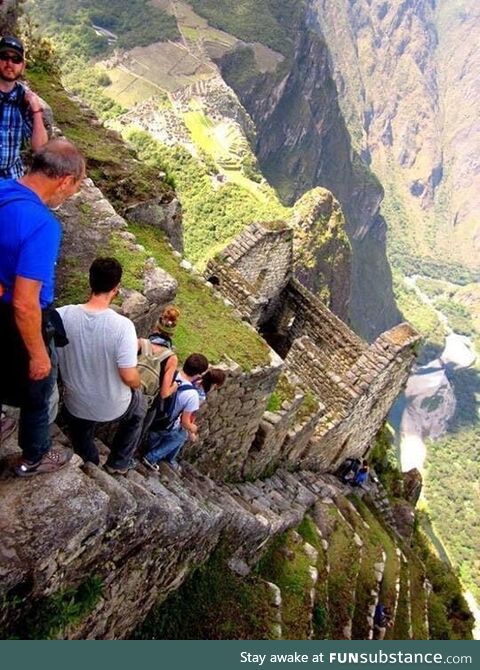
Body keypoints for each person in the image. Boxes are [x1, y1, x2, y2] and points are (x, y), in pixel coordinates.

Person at [0, 138, 85, 476]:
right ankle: (33, 456)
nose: (70, 195)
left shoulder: (3, 189)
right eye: (74, 188)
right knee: (39, 390)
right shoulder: (42, 224)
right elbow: (25, 303)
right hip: (15, 318)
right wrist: (38, 354)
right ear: (65, 180)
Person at [57, 258, 147, 474]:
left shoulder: (61, 315)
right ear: (116, 289)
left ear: (90, 281)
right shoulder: (123, 327)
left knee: (81, 430)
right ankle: (119, 462)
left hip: (75, 404)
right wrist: (138, 383)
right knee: (139, 409)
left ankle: (90, 462)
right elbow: (128, 376)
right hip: (113, 406)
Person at [142, 353, 209, 472]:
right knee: (182, 435)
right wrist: (193, 428)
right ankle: (152, 457)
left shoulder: (171, 374)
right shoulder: (192, 395)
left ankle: (149, 449)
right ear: (199, 374)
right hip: (163, 426)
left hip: (150, 417)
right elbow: (185, 422)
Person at [0, 36, 48, 179]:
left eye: (16, 59)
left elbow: (40, 148)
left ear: (23, 66)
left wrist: (36, 110)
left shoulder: (23, 99)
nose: (9, 63)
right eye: (4, 57)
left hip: (11, 176)